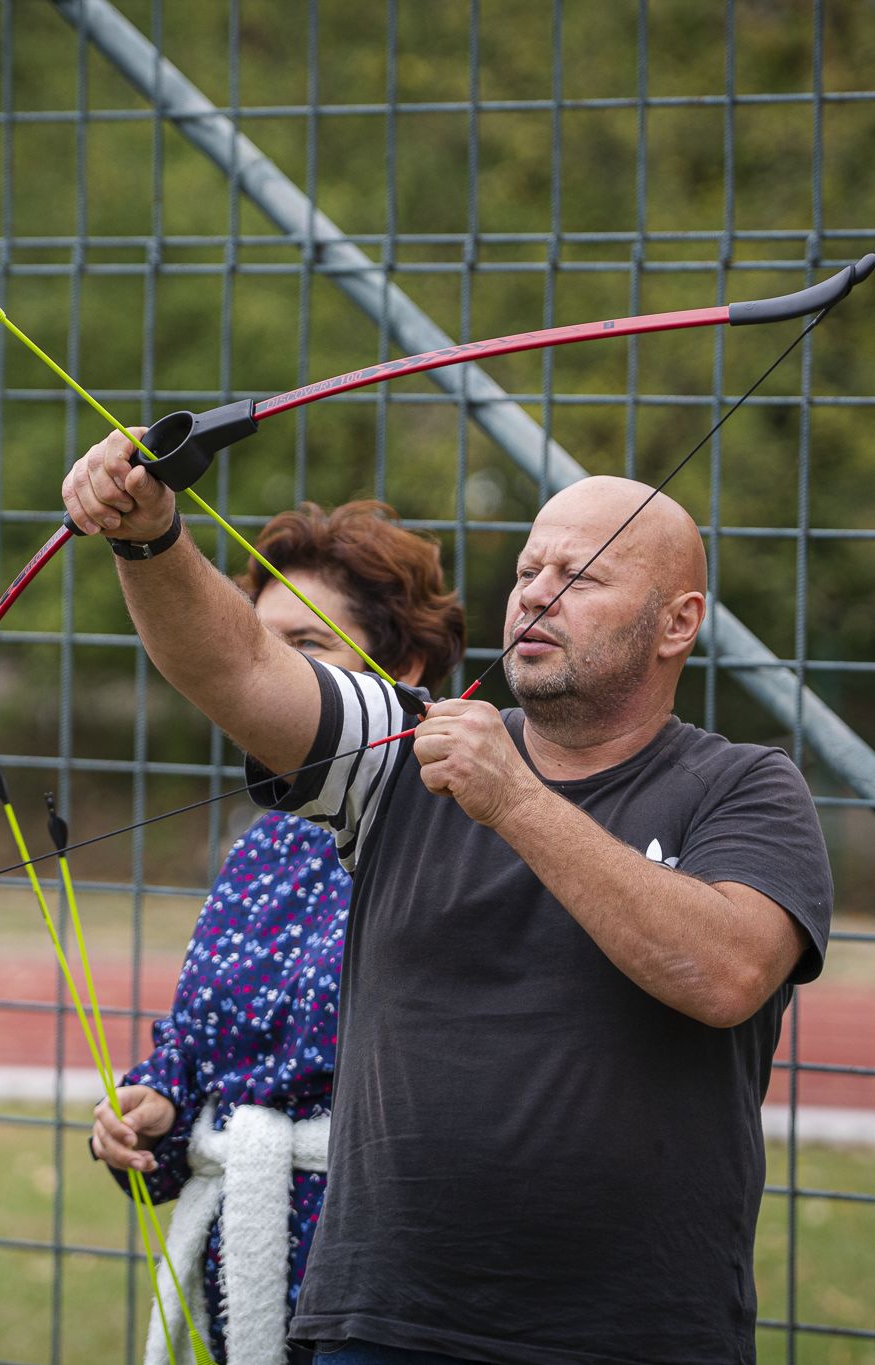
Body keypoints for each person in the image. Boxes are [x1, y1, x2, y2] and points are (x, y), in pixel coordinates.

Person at [65, 431, 834, 1365]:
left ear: (678, 622)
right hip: (382, 1324)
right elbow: (240, 668)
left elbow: (726, 972)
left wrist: (516, 800)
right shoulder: (404, 749)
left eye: (583, 575)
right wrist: (149, 534)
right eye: (528, 570)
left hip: (637, 1333)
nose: (538, 593)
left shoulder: (745, 786)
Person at [88, 500, 466, 1365]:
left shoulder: (465, 823)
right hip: (246, 1281)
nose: (266, 672)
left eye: (308, 645)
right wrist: (154, 1109)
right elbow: (195, 1049)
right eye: (256, 644)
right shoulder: (263, 845)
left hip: (393, 1293)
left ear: (404, 664)